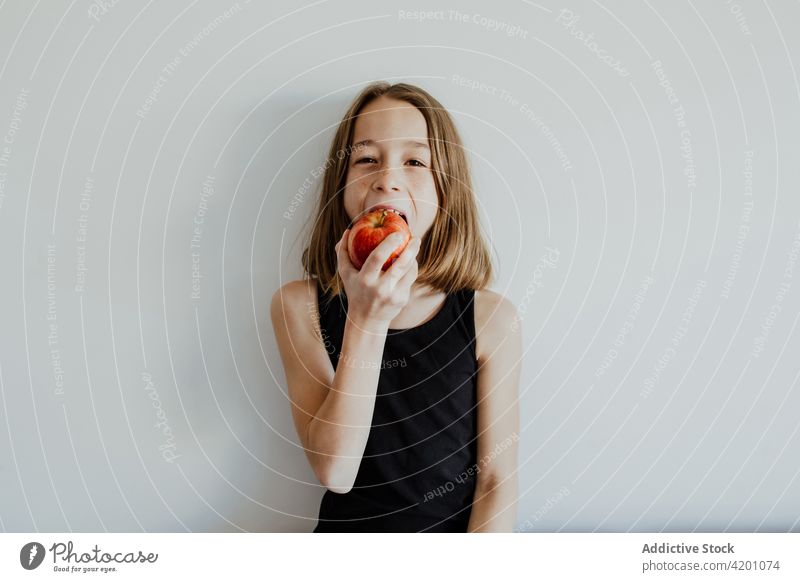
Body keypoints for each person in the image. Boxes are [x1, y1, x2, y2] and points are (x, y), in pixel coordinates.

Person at [271, 81, 521, 532]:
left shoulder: (491, 319)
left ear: (445, 190)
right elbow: (336, 471)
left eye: (415, 161)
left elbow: (496, 482)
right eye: (366, 158)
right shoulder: (298, 305)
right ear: (340, 185)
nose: (387, 178)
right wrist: (367, 319)